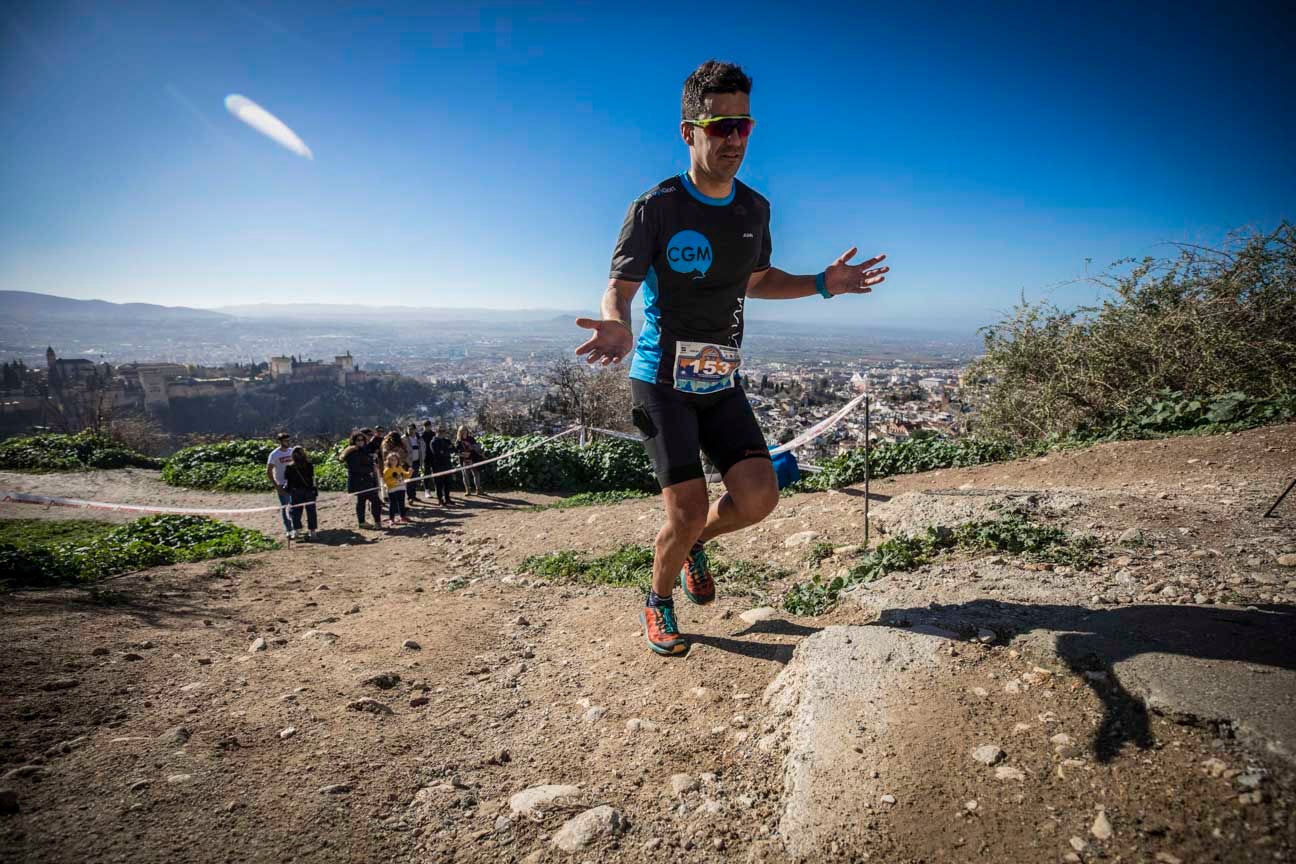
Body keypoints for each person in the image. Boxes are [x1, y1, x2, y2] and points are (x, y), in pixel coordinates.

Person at [575, 60, 890, 656]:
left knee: (759, 498)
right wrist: (616, 322)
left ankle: (694, 542)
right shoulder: (656, 207)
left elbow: (758, 280)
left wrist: (825, 281)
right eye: (720, 126)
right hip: (660, 381)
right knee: (687, 507)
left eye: (744, 125)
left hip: (719, 378)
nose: (735, 140)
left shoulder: (754, 209)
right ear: (688, 131)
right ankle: (658, 600)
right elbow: (619, 286)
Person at [340, 431, 383, 528]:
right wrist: (370, 469)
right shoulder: (352, 452)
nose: (360, 441)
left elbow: (365, 461)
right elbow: (354, 468)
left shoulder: (363, 450)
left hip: (366, 479)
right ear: (353, 441)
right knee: (375, 501)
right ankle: (376, 522)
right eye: (358, 440)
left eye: (362, 439)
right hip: (360, 481)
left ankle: (362, 522)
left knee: (362, 501)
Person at [265, 430, 295, 540]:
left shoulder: (292, 451)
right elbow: (268, 471)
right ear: (281, 441)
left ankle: (295, 527)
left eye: (289, 440)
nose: (288, 442)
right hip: (281, 483)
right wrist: (276, 486)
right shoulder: (274, 454)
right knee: (285, 506)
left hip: (293, 483)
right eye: (286, 441)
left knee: (295, 506)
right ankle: (289, 529)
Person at [285, 446, 319, 541]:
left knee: (295, 512)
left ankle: (296, 530)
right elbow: (312, 478)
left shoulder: (290, 467)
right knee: (311, 512)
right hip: (309, 491)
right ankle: (312, 532)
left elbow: (288, 481)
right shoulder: (309, 465)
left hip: (296, 491)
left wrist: (288, 490)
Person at [429, 425, 455, 506]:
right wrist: (446, 450)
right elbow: (437, 454)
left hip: (447, 464)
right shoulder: (433, 442)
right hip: (438, 466)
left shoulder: (447, 440)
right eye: (440, 431)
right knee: (439, 484)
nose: (442, 433)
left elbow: (453, 449)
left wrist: (444, 450)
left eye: (444, 431)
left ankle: (447, 499)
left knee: (448, 483)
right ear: (436, 432)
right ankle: (440, 500)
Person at [382, 452, 411, 523]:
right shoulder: (387, 470)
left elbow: (405, 475)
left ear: (398, 460)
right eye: (391, 460)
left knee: (401, 503)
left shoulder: (399, 467)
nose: (393, 461)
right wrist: (395, 480)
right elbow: (386, 481)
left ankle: (403, 517)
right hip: (392, 490)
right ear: (388, 461)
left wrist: (410, 472)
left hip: (401, 488)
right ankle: (391, 518)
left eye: (395, 460)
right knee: (393, 504)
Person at [455, 425, 484, 496]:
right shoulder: (458, 441)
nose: (464, 432)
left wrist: (472, 447)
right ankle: (468, 490)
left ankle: (478, 490)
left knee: (476, 474)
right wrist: (463, 455)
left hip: (473, 459)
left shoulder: (471, 439)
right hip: (464, 461)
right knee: (465, 476)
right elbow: (456, 452)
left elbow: (476, 448)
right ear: (460, 432)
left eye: (465, 430)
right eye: (462, 430)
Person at [405, 423, 423, 503]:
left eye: (412, 429)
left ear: (415, 429)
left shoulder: (418, 438)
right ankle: (410, 497)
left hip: (417, 462)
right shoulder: (404, 439)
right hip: (408, 463)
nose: (410, 430)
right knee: (409, 480)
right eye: (409, 429)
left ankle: (414, 495)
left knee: (415, 480)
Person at [419, 420, 438, 498]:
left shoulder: (434, 434)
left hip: (434, 457)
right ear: (424, 427)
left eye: (429, 426)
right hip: (426, 458)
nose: (427, 428)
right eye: (426, 426)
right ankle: (427, 490)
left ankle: (438, 490)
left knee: (436, 474)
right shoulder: (421, 436)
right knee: (426, 474)